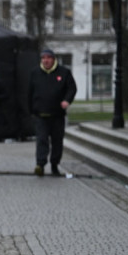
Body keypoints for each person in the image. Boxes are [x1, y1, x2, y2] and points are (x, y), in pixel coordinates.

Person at [28, 48, 77, 177]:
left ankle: (55, 164)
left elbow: (72, 88)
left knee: (57, 141)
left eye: (48, 58)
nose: (46, 60)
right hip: (40, 114)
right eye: (43, 58)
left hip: (57, 114)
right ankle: (40, 164)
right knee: (41, 140)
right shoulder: (35, 73)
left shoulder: (64, 72)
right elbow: (29, 92)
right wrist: (31, 109)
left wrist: (67, 100)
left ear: (53, 59)